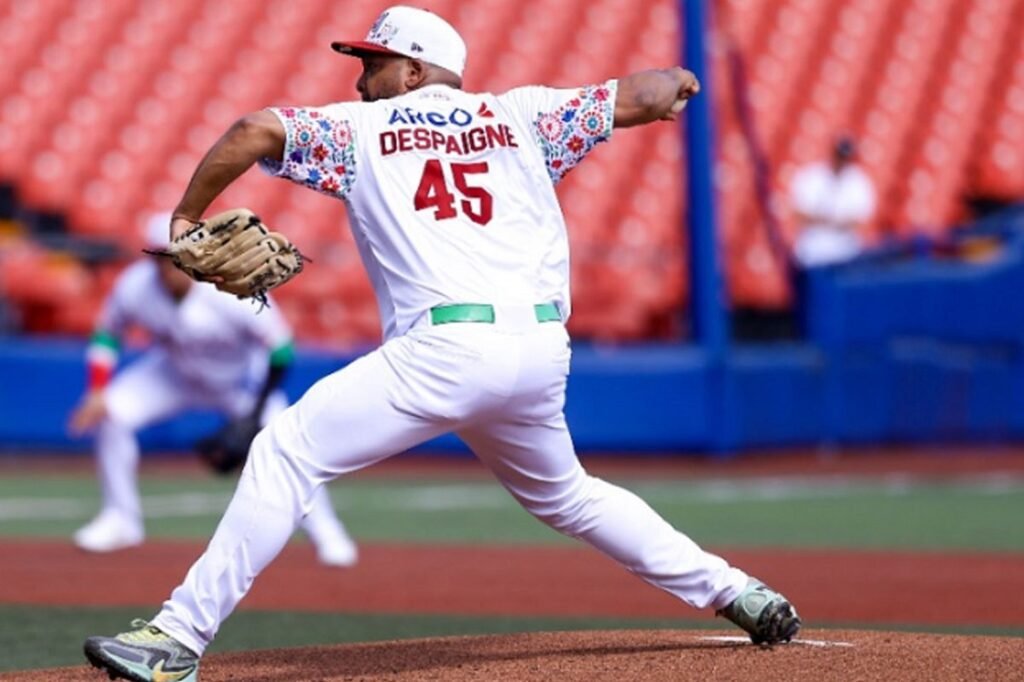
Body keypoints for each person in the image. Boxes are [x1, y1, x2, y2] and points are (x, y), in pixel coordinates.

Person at [84, 7, 800, 680]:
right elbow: (644, 93)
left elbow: (252, 129)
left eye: (373, 64)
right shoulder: (525, 115)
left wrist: (185, 216)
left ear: (415, 71)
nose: (360, 80)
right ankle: (738, 591)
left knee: (284, 451)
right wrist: (678, 81)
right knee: (570, 496)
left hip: (445, 349)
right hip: (539, 349)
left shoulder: (360, 131)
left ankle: (177, 639)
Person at [69, 213, 357, 568]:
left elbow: (281, 348)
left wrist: (253, 417)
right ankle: (120, 519)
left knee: (286, 444)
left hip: (238, 381)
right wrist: (97, 389)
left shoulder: (230, 286)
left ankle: (326, 530)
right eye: (162, 257)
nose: (170, 266)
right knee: (111, 413)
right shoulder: (136, 285)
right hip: (174, 374)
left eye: (178, 256)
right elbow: (107, 333)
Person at [790, 135, 877, 268]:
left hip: (843, 252)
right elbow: (799, 215)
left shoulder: (859, 182)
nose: (841, 160)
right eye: (839, 155)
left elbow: (858, 221)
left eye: (845, 156)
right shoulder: (812, 175)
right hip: (812, 250)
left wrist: (822, 219)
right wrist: (835, 221)